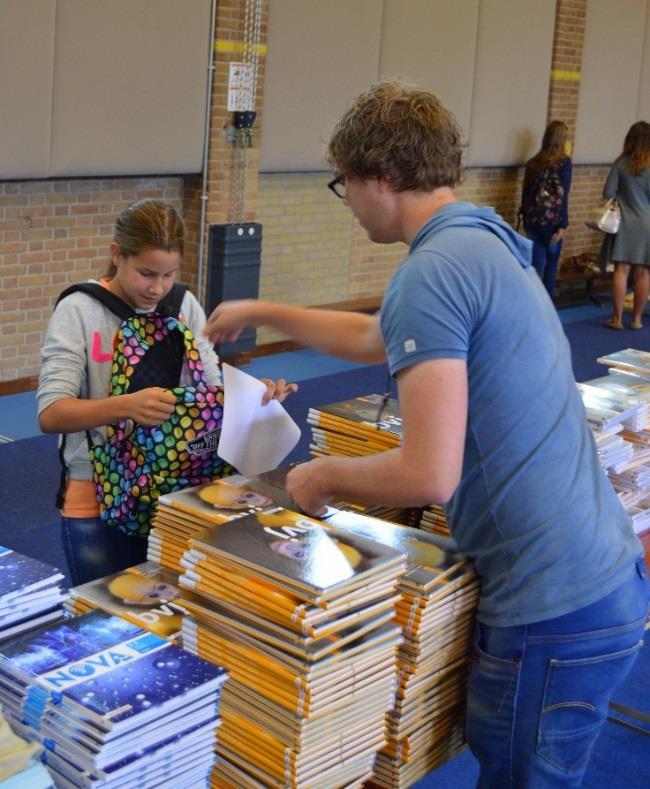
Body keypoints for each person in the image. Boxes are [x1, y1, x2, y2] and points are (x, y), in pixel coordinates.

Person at [204, 81, 649, 788]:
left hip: (551, 605)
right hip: (600, 579)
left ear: (378, 178)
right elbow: (376, 334)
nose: (345, 202)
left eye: (342, 185)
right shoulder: (482, 241)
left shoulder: (433, 271)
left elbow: (428, 473)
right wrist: (262, 309)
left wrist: (318, 478)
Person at [38, 198, 296, 586]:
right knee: (105, 616)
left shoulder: (182, 305)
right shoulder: (78, 310)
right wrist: (125, 406)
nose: (156, 288)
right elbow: (52, 413)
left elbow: (211, 390)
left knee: (173, 612)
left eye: (168, 274)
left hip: (177, 485)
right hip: (96, 493)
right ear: (116, 255)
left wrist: (254, 396)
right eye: (146, 273)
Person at [601, 121, 650, 330]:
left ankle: (617, 318)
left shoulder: (621, 163)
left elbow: (608, 193)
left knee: (621, 271)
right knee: (644, 273)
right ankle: (637, 319)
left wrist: (621, 200)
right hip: (647, 224)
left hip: (625, 223)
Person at [519, 120, 572, 297]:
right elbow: (564, 194)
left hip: (533, 220)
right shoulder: (563, 163)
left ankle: (531, 299)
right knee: (551, 262)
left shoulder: (533, 162)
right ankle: (547, 302)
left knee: (536, 263)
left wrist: (525, 215)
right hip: (552, 221)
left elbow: (525, 192)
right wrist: (563, 223)